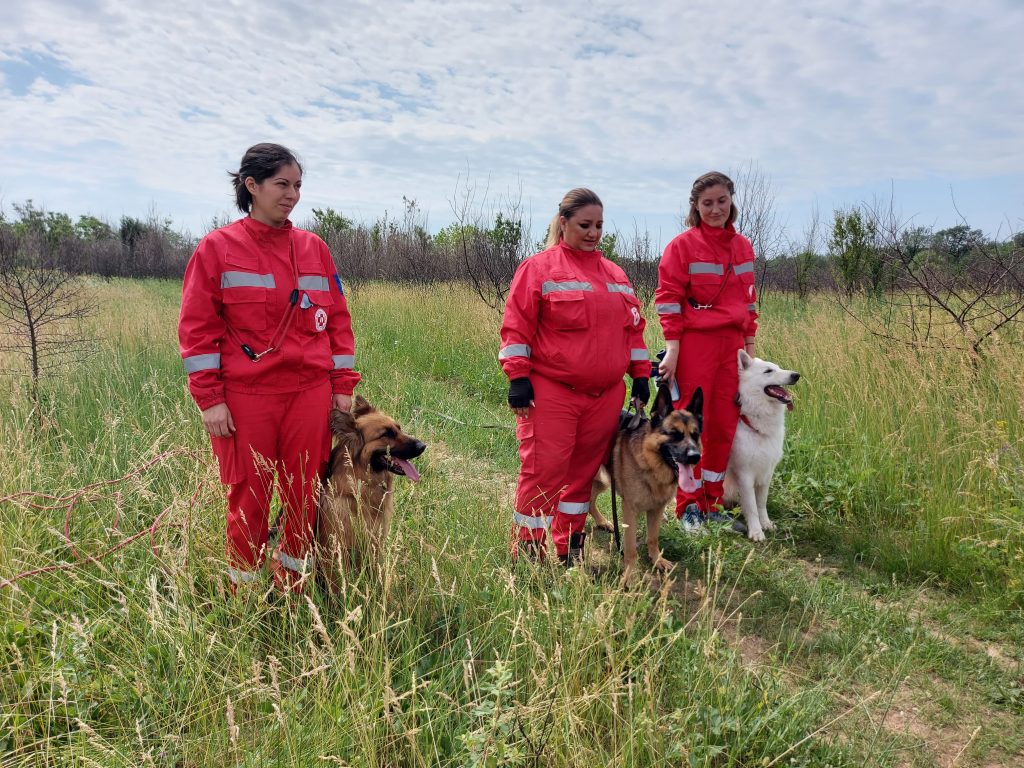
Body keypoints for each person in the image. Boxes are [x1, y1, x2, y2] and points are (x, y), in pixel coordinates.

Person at [178, 143, 360, 592]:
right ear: (252, 186)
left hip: (309, 394)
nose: (292, 194)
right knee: (249, 498)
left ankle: (293, 593)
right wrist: (210, 400)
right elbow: (197, 329)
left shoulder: (315, 249)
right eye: (282, 184)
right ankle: (244, 596)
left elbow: (337, 321)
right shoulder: (217, 249)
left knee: (305, 497)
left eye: (298, 185)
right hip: (246, 398)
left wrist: (342, 384)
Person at [499, 188, 651, 565]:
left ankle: (570, 549)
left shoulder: (615, 275)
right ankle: (529, 556)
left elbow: (633, 332)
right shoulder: (538, 268)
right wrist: (518, 378)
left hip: (605, 397)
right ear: (563, 223)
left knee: (582, 478)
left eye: (599, 225)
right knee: (544, 474)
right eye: (585, 225)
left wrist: (641, 376)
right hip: (553, 393)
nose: (593, 233)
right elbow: (516, 328)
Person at [655, 171, 757, 533]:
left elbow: (749, 304)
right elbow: (668, 300)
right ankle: (688, 506)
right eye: (707, 203)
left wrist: (750, 353)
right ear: (695, 207)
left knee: (723, 425)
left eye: (721, 201)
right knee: (691, 425)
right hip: (695, 345)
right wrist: (672, 350)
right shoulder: (682, 246)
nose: (715, 209)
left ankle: (713, 502)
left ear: (732, 201)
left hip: (732, 348)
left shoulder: (742, 247)